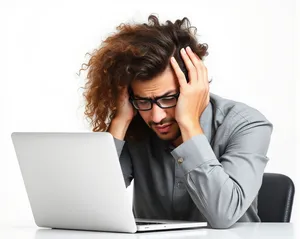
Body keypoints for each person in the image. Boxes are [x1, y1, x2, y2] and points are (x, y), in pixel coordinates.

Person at [80, 15, 273, 229]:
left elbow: (223, 215)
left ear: (194, 86)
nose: (156, 116)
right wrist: (119, 120)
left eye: (168, 98)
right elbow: (87, 206)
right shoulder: (136, 124)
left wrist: (189, 123)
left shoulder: (247, 125)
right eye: (143, 101)